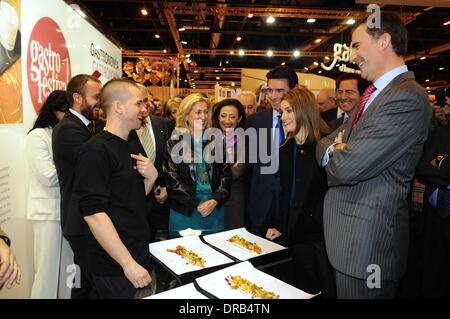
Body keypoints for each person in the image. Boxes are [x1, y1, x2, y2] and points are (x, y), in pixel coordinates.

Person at [315, 12, 431, 298]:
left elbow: (348, 167)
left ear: (384, 41)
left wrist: (341, 152)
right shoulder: (374, 94)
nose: (352, 56)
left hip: (368, 248)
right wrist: (335, 148)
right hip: (350, 243)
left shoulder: (406, 97)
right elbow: (324, 141)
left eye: (356, 45)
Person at [72, 79, 158, 299]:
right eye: (139, 103)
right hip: (114, 266)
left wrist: (151, 179)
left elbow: (130, 198)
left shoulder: (131, 144)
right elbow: (93, 214)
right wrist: (128, 264)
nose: (144, 109)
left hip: (137, 253)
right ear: (119, 106)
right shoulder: (95, 150)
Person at [266, 86, 334, 297]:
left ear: (303, 110)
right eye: (282, 112)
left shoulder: (326, 146)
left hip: (317, 238)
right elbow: (285, 193)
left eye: (288, 111)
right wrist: (278, 224)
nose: (283, 117)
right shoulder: (285, 148)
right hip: (290, 234)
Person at [52, 74, 103, 299]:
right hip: (80, 220)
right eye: (96, 96)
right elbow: (96, 166)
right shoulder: (67, 130)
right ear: (77, 98)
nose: (100, 101)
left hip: (89, 219)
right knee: (86, 283)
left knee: (86, 282)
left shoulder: (92, 126)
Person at [163, 93, 231, 235]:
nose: (204, 117)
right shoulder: (174, 143)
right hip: (185, 210)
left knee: (214, 253)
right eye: (198, 112)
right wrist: (196, 203)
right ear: (186, 115)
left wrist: (215, 200)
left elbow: (226, 176)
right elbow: (172, 180)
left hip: (213, 208)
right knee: (182, 254)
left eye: (206, 112)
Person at [26, 90, 72, 299]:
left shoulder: (58, 133)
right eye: (65, 111)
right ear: (54, 111)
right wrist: (74, 167)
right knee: (47, 271)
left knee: (67, 271)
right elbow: (48, 176)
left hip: (64, 210)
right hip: (47, 213)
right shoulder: (37, 135)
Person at [246, 66, 298, 236]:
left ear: (294, 90)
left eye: (280, 90)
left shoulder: (303, 122)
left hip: (292, 205)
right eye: (270, 90)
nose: (273, 96)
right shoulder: (254, 121)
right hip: (260, 202)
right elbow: (250, 164)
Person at [129, 84, 174, 241]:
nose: (144, 105)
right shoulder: (125, 127)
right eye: (139, 102)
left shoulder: (164, 124)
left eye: (146, 100)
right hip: (134, 199)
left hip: (161, 199)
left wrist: (166, 186)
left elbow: (170, 160)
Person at [416, 123, 450, 298]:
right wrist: (443, 162)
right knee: (433, 277)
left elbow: (436, 164)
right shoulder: (442, 131)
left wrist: (441, 160)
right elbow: (423, 168)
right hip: (436, 218)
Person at [211, 98, 248, 230]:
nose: (227, 121)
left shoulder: (245, 139)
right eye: (223, 116)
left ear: (239, 119)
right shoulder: (209, 136)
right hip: (210, 197)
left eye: (232, 117)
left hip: (233, 198)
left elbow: (236, 172)